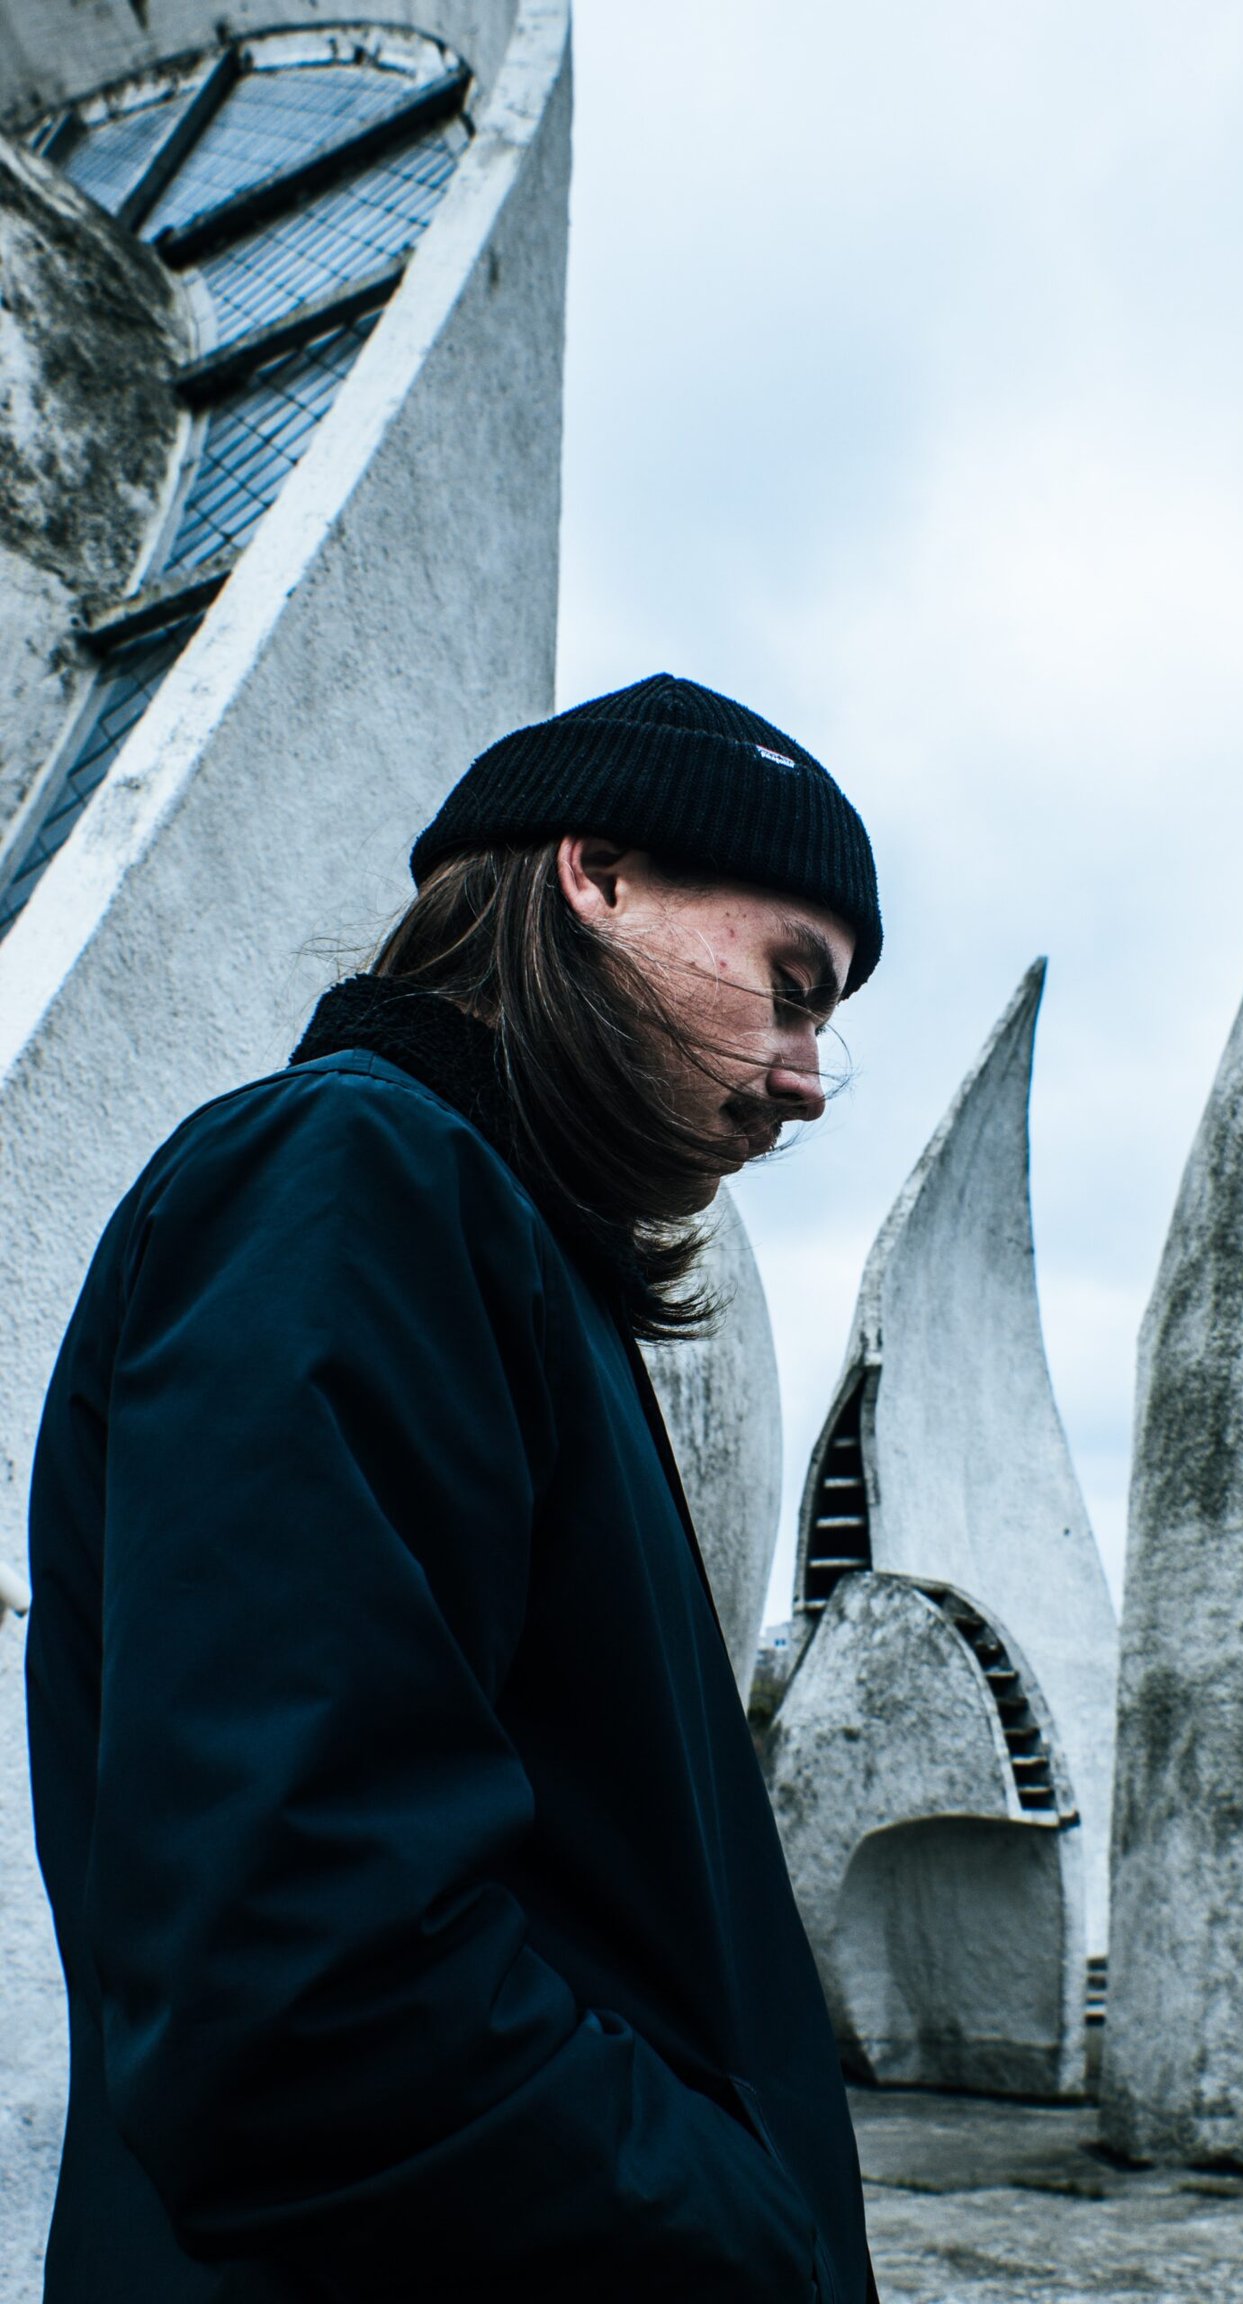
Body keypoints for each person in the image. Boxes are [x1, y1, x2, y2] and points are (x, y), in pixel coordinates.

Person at [26, 675, 883, 2302]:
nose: (806, 1078)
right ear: (598, 873)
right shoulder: (357, 1180)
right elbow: (309, 1990)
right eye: (791, 986)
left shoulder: (477, 1238)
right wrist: (747, 2240)